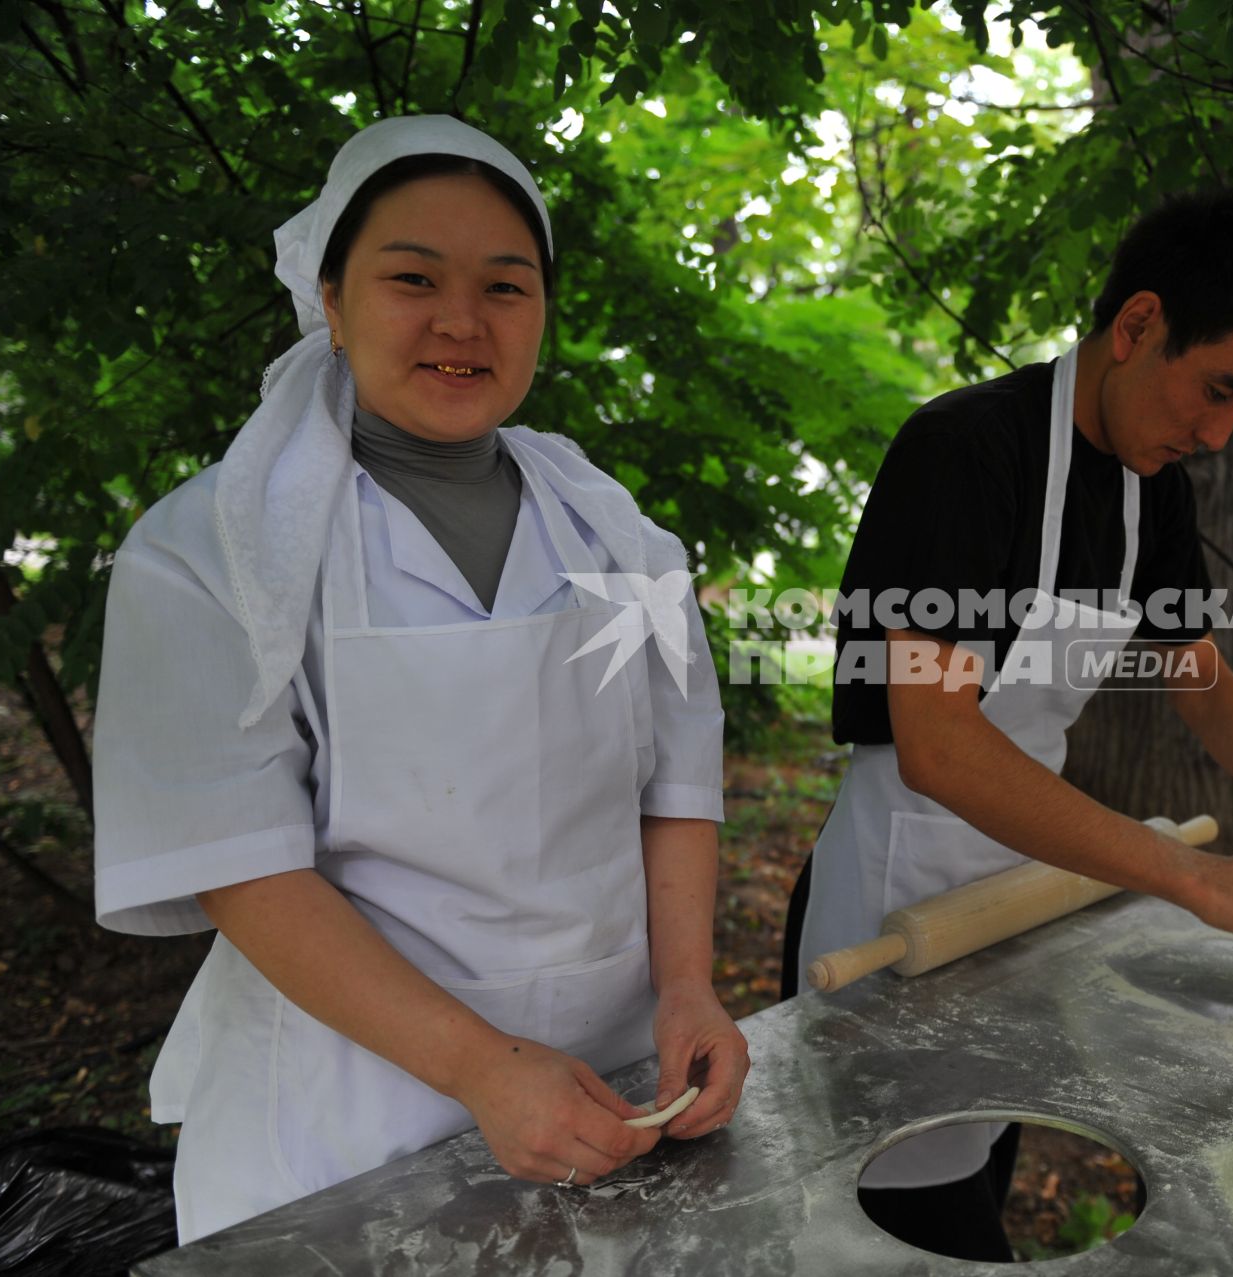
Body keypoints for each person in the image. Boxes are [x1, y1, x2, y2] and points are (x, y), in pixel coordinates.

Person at [91, 116, 748, 1244]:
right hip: (345, 1120)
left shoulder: (617, 533)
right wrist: (480, 1067)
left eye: (507, 285)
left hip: (607, 1085)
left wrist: (687, 984)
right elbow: (241, 866)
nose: (462, 321)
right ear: (332, 301)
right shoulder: (210, 551)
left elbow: (675, 778)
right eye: (412, 278)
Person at [781, 191, 1233, 1260]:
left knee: (984, 1154)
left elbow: (1199, 679)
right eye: (1218, 389)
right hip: (893, 907)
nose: (1216, 434)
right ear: (1136, 325)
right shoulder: (962, 454)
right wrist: (1201, 878)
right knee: (889, 1224)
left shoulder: (1146, 487)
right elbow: (937, 745)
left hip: (1026, 897)